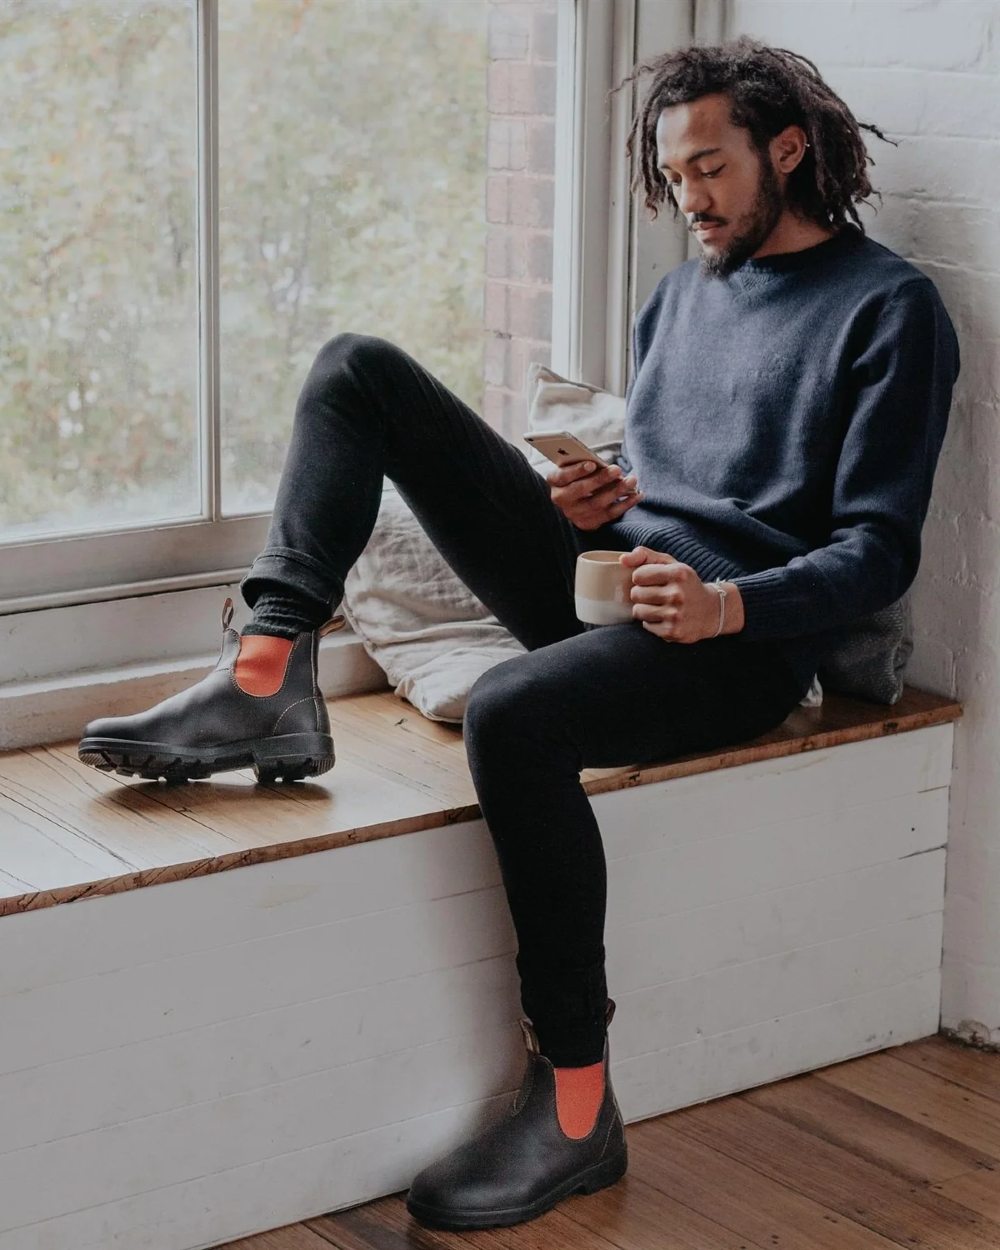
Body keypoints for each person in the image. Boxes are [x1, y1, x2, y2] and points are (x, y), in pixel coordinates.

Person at [78, 35, 960, 1231]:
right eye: (673, 176)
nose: (689, 200)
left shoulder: (889, 310)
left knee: (512, 711)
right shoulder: (679, 296)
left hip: (737, 644)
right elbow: (666, 492)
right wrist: (604, 504)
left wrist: (730, 603)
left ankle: (577, 1104)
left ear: (789, 151)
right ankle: (267, 671)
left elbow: (878, 548)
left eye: (710, 169)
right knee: (357, 370)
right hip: (618, 588)